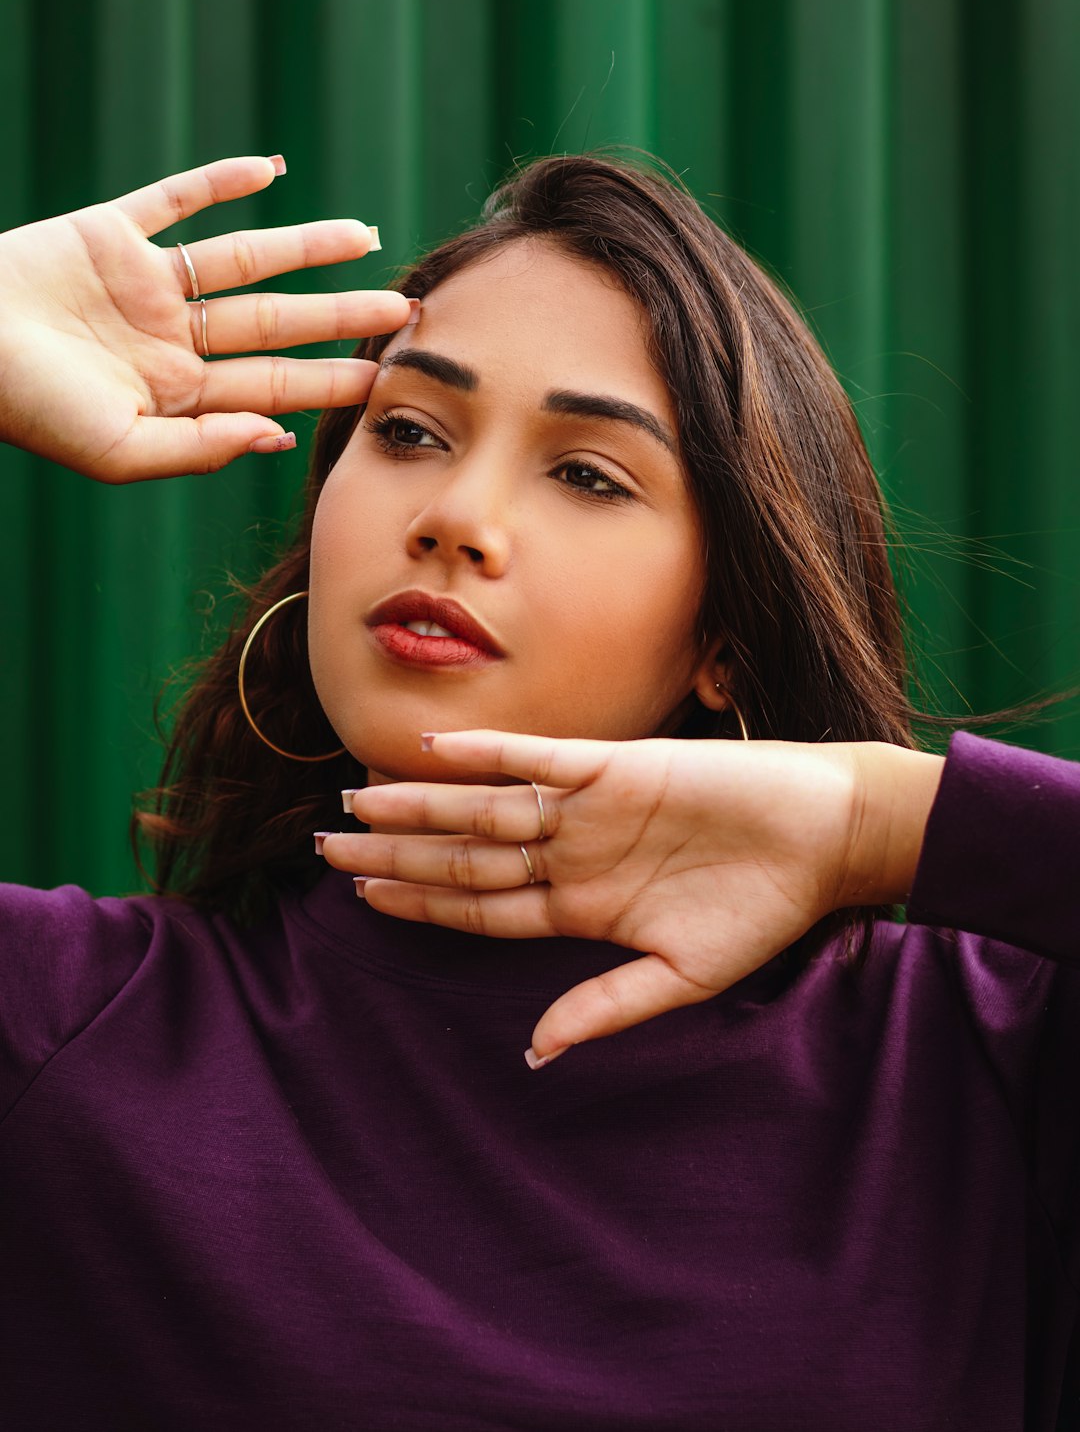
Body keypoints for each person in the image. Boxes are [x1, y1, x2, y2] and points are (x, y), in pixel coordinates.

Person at [0, 151, 1077, 1430]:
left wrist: (884, 824)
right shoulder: (63, 1033)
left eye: (587, 474)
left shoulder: (977, 1065)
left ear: (727, 635)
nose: (456, 514)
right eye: (407, 432)